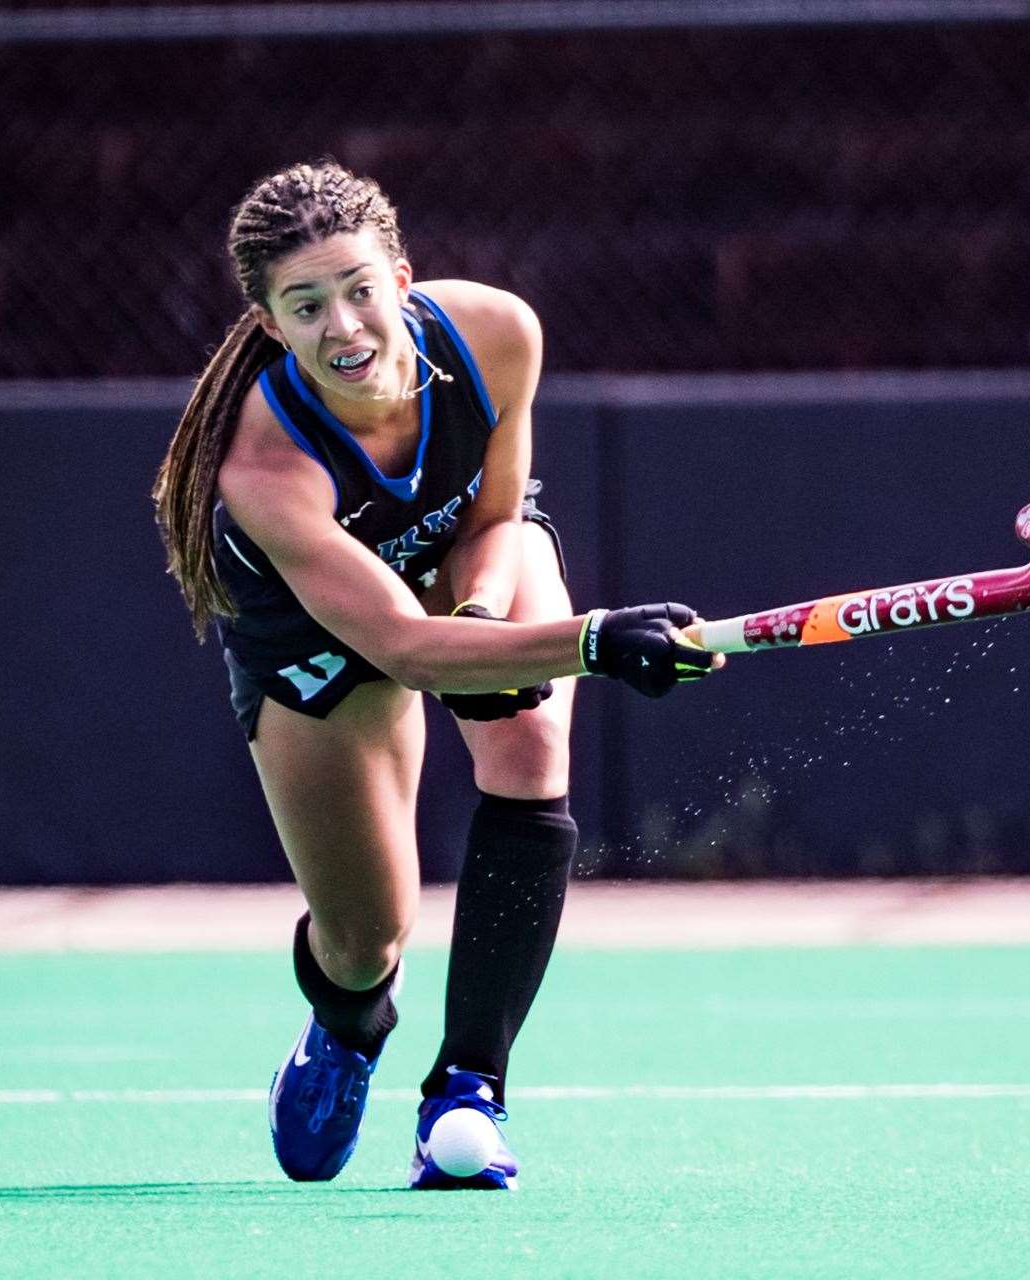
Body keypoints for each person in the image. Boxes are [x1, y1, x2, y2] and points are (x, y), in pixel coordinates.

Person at [152, 160, 719, 1189]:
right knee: (368, 932)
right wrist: (592, 640)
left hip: (459, 564)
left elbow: (497, 516)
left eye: (361, 289)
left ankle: (468, 1090)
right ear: (272, 324)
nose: (345, 326)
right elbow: (403, 647)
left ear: (403, 278)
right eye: (307, 305)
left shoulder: (497, 335)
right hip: (316, 640)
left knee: (531, 734)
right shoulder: (265, 469)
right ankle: (347, 1022)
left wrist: (492, 618)